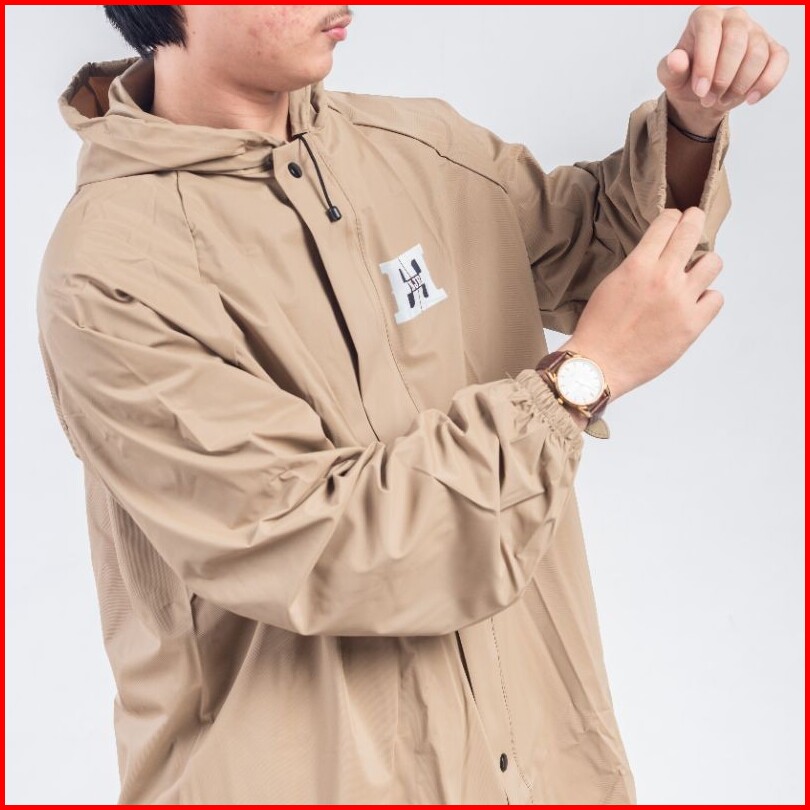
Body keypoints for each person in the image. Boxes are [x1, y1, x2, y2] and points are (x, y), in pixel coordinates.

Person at [35, 5, 787, 805]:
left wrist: (692, 122)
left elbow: (605, 255)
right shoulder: (111, 276)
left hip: (540, 771)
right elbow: (324, 545)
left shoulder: (419, 148)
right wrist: (580, 377)